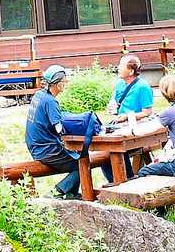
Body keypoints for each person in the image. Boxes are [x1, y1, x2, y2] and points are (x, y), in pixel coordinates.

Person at [25, 65, 113, 199]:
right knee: (82, 163)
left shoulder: (39, 95)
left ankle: (71, 194)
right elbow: (59, 129)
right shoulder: (51, 102)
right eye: (64, 81)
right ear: (58, 84)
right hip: (46, 150)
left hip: (35, 146)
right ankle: (58, 192)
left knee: (78, 158)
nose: (66, 83)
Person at [110, 54, 154, 121]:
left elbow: (147, 112)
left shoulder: (143, 87)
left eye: (122, 66)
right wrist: (112, 107)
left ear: (131, 71)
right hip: (119, 123)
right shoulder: (119, 83)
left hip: (137, 123)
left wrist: (127, 117)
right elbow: (114, 101)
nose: (118, 68)